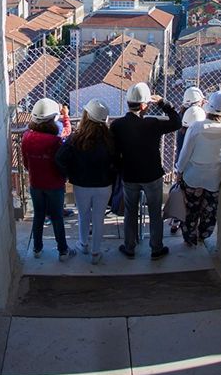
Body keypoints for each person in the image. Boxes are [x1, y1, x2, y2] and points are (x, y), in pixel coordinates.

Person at [110, 82, 180, 260]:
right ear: (143, 105)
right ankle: (156, 248)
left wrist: (122, 169)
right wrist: (163, 103)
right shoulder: (152, 123)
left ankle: (129, 247)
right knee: (155, 212)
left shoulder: (117, 125)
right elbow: (177, 122)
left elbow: (114, 153)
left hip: (130, 175)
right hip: (152, 175)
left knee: (130, 212)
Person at [56, 99, 115, 265]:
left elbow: (60, 157)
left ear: (86, 116)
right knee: (98, 218)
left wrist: (69, 175)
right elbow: (117, 161)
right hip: (104, 185)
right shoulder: (110, 139)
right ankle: (96, 252)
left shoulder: (76, 138)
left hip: (81, 185)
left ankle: (83, 244)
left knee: (84, 216)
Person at [21, 98, 75, 261]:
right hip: (54, 184)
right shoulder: (56, 140)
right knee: (57, 217)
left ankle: (37, 248)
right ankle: (63, 251)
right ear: (53, 118)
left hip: (36, 183)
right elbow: (67, 132)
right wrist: (66, 116)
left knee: (38, 215)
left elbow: (25, 163)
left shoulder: (26, 137)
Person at [176, 90, 221, 246]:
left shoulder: (196, 127)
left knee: (191, 210)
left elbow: (185, 153)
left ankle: (189, 238)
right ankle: (203, 235)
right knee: (209, 211)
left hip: (193, 175)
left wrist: (179, 171)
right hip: (214, 177)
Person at [170, 104, 206, 233]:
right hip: (192, 170)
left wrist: (179, 170)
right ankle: (192, 228)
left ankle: (175, 220)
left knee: (180, 197)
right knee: (193, 203)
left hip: (182, 166)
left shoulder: (182, 127)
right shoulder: (194, 132)